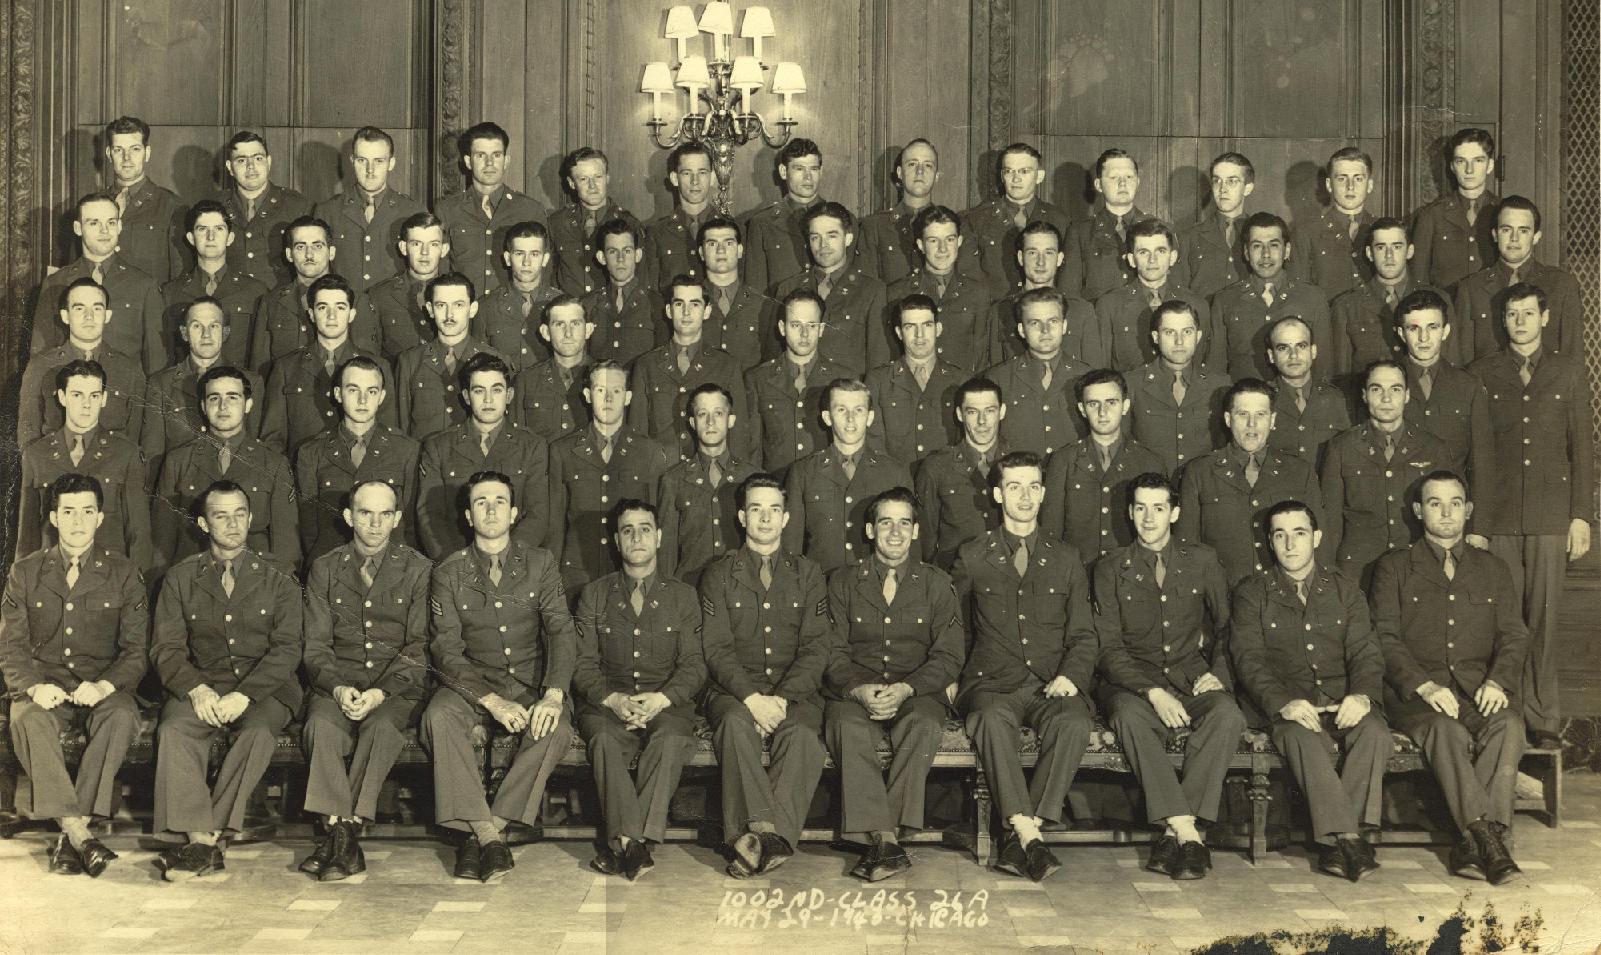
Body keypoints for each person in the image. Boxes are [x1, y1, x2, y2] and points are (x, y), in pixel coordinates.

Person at [1371, 471, 1528, 884]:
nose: (1446, 512)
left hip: (1478, 690)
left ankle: (1474, 844)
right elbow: (1383, 638)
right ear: (1419, 511)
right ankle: (1489, 837)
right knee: (1446, 730)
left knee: (1509, 724)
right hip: (1417, 697)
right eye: (1435, 503)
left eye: (1455, 503)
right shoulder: (1394, 567)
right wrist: (1423, 685)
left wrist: (1498, 682)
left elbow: (1514, 635)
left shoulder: (1493, 568)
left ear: (1468, 510)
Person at [421, 470, 574, 883]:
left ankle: (484, 836)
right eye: (481, 502)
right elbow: (446, 651)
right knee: (438, 717)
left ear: (514, 513)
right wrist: (490, 700)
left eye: (499, 502)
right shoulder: (448, 572)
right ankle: (492, 838)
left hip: (530, 683)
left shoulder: (540, 563)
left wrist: (554, 694)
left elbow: (561, 630)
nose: (491, 510)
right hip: (473, 684)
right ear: (468, 516)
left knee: (555, 730)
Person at [953, 452, 1098, 881]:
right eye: (1014, 487)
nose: (1024, 496)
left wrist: (1071, 676)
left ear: (1043, 493)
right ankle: (1030, 833)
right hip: (991, 682)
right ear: (997, 494)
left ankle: (1023, 832)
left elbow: (1084, 634)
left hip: (1049, 683)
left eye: (1033, 486)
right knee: (991, 720)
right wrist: (951, 678)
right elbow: (954, 628)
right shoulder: (973, 555)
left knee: (1074, 723)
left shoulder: (1067, 558)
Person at [1091, 472, 1242, 881]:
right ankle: (1190, 833)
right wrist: (1153, 692)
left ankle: (1174, 835)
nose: (1149, 517)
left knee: (1228, 715)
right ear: (1129, 513)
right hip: (1130, 683)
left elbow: (1230, 627)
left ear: (1174, 512)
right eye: (1140, 508)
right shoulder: (1110, 568)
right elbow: (1106, 647)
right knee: (1129, 717)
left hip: (1191, 676)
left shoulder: (1202, 560)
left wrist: (1220, 673)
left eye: (1158, 508)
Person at [150, 480, 303, 881]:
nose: (233, 524)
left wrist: (245, 695)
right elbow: (166, 649)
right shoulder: (180, 578)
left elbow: (288, 649)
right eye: (221, 515)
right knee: (174, 730)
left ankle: (202, 842)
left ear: (251, 518)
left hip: (265, 688)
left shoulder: (279, 576)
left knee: (257, 736)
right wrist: (196, 689)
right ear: (203, 523)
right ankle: (204, 840)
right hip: (203, 683)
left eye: (240, 514)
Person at [1229, 500, 1387, 881]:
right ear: (1269, 542)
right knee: (1301, 736)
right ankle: (1348, 838)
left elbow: (1366, 651)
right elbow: (1248, 659)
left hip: (1340, 701)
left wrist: (1361, 695)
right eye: (1279, 535)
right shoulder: (1253, 593)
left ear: (1316, 537)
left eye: (1299, 533)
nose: (1289, 544)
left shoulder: (1346, 590)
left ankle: (1336, 845)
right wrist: (1282, 703)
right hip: (1288, 708)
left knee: (1375, 733)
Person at [0, 474, 147, 878]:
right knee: (28, 719)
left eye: (87, 511)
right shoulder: (25, 572)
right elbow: (11, 646)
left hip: (103, 686)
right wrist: (32, 686)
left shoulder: (123, 572)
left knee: (119, 717)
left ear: (100, 518)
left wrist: (104, 685)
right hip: (44, 686)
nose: (78, 521)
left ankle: (69, 834)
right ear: (52, 518)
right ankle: (81, 834)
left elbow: (136, 652)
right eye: (68, 512)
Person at [1467, 283, 1594, 748]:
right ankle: (1507, 718)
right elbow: (1475, 453)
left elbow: (1582, 449)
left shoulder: (1568, 372)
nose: (1519, 321)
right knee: (1502, 622)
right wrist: (1476, 525)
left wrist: (1581, 516)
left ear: (1544, 318)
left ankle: (1542, 719)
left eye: (1528, 313)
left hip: (1548, 517)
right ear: (1503, 321)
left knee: (1542, 620)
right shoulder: (1482, 373)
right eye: (1511, 314)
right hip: (1498, 519)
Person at [824, 488, 964, 882]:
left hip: (916, 692)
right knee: (846, 726)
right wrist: (857, 689)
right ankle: (887, 839)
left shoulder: (937, 583)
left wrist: (906, 689)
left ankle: (875, 836)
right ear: (870, 530)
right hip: (855, 691)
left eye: (905, 522)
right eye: (886, 522)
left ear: (916, 531)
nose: (896, 531)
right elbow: (830, 650)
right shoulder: (843, 582)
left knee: (924, 726)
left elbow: (949, 655)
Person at [699, 474, 832, 876]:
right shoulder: (718, 573)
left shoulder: (808, 573)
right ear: (742, 517)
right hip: (733, 691)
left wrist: (783, 699)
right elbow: (716, 648)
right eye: (756, 509)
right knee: (736, 726)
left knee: (804, 736)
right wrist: (753, 700)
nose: (765, 518)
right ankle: (764, 832)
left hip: (794, 693)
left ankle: (754, 844)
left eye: (774, 509)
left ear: (786, 518)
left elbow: (816, 647)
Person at [297, 480, 431, 881]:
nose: (375, 524)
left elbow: (420, 645)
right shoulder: (325, 566)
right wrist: (337, 687)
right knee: (320, 726)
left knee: (382, 728)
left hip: (395, 686)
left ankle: (340, 834)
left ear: (397, 518)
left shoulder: (418, 568)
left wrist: (379, 692)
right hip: (336, 682)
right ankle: (346, 839)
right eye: (366, 513)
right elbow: (316, 645)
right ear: (349, 516)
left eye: (384, 514)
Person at [574, 500, 705, 880]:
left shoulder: (683, 596)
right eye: (628, 530)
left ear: (659, 537)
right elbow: (582, 664)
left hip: (667, 703)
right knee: (603, 741)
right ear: (616, 541)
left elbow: (694, 664)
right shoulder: (595, 595)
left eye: (645, 528)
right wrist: (612, 699)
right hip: (607, 704)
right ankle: (637, 846)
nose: (637, 537)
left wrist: (663, 698)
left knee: (669, 740)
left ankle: (627, 842)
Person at [545, 361, 676, 596]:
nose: (608, 399)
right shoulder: (562, 451)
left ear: (627, 397)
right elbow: (555, 526)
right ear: (587, 395)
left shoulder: (649, 452)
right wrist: (552, 585)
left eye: (616, 391)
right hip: (577, 576)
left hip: (632, 576)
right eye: (600, 391)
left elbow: (661, 522)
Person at [1176, 379, 1324, 587]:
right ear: (1228, 419)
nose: (1251, 424)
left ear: (1273, 420)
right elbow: (1187, 551)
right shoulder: (1199, 472)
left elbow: (1317, 549)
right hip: (1223, 599)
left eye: (1260, 415)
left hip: (1283, 601)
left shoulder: (1300, 472)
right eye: (1243, 414)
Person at [151, 366, 299, 567]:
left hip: (255, 581)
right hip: (194, 581)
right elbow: (162, 541)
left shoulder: (273, 464)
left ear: (248, 405)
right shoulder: (178, 461)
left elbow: (286, 547)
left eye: (232, 397)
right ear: (203, 406)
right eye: (214, 398)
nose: (222, 406)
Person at [1318, 360, 1450, 585]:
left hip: (1416, 567)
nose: (1386, 398)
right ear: (1364, 395)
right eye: (1376, 389)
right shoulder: (1341, 448)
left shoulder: (1432, 448)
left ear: (1407, 395)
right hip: (1357, 571)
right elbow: (1329, 520)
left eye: (1395, 389)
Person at [18, 360, 153, 572]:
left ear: (104, 399)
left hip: (109, 581)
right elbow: (27, 537)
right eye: (77, 395)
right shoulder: (36, 454)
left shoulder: (125, 454)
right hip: (50, 581)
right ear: (62, 397)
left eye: (94, 395)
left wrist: (136, 591)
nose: (87, 404)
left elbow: (139, 534)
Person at [416, 353, 550, 560]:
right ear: (467, 397)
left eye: (496, 390)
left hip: (514, 569)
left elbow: (537, 515)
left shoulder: (532, 447)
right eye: (479, 391)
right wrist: (456, 565)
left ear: (509, 395)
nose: (488, 400)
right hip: (455, 568)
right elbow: (430, 516)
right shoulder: (438, 447)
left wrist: (506, 562)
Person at [293, 356, 421, 564]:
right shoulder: (311, 452)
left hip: (391, 569)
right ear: (338, 394)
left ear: (381, 396)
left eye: (371, 391)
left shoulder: (406, 450)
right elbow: (308, 528)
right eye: (353, 390)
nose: (363, 400)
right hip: (330, 570)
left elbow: (410, 526)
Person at [782, 379, 913, 572]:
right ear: (827, 417)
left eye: (858, 410)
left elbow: (909, 547)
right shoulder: (803, 472)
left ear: (869, 417)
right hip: (820, 588)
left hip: (876, 589)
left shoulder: (894, 473)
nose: (851, 419)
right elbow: (790, 547)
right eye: (841, 410)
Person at [260, 272, 397, 454]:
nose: (331, 316)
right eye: (323, 307)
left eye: (340, 307)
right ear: (311, 314)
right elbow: (272, 440)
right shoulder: (286, 368)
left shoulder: (378, 367)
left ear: (351, 314)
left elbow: (387, 434)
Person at [1041, 368, 1166, 565]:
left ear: (1125, 406)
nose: (1102, 412)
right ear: (1082, 410)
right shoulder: (1063, 461)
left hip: (1132, 576)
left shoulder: (1149, 462)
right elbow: (1051, 532)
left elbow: (1159, 537)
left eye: (1111, 402)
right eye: (1093, 404)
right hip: (1077, 575)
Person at [31, 193, 167, 373]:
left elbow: (157, 366)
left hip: (125, 396)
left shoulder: (144, 285)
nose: (104, 230)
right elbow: (40, 358)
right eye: (94, 223)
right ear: (78, 228)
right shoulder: (56, 283)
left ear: (119, 226)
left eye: (111, 223)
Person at [627, 274, 750, 460]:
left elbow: (739, 439)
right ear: (668, 311)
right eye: (679, 304)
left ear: (707, 311)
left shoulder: (727, 366)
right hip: (661, 477)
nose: (686, 312)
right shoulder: (646, 366)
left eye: (694, 304)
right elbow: (637, 439)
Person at [1453, 195, 1584, 365]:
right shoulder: (1471, 289)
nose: (1514, 238)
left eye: (1523, 230)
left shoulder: (1561, 285)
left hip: (1545, 389)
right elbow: (1463, 362)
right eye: (1506, 230)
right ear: (1494, 234)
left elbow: (1574, 360)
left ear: (1536, 237)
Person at [141, 299, 266, 474]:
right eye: (197, 326)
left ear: (225, 332)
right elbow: (152, 454)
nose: (206, 334)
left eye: (214, 326)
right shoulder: (161, 384)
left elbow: (254, 449)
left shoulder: (251, 382)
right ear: (184, 333)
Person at [18, 278, 147, 446]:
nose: (89, 316)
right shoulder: (41, 366)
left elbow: (134, 436)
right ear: (65, 316)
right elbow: (28, 432)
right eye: (79, 308)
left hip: (111, 468)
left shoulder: (129, 369)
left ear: (107, 315)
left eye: (97, 308)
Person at [1329, 218, 1455, 385]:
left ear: (1409, 251)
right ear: (1369, 253)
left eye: (1397, 247)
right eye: (1381, 247)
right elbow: (1341, 377)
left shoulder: (1438, 299)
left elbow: (1453, 367)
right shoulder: (1346, 306)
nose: (1389, 255)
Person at [656, 383, 759, 586]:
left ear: (731, 420)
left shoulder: (753, 477)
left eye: (718, 413)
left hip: (740, 589)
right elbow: (665, 553)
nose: (711, 422)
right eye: (703, 414)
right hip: (688, 589)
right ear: (693, 423)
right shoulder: (673, 480)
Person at [248, 215, 379, 372]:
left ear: (331, 252)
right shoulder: (272, 303)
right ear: (289, 255)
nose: (309, 255)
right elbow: (259, 370)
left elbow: (368, 366)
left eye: (317, 246)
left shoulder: (357, 300)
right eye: (301, 247)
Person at [1211, 212, 1332, 381]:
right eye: (1257, 246)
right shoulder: (1225, 301)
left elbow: (1324, 368)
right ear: (1246, 253)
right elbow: (1215, 370)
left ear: (1287, 250)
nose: (1266, 254)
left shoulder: (1312, 297)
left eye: (1274, 245)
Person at [772, 202, 889, 375]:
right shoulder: (788, 288)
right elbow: (775, 357)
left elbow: (878, 364)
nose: (822, 244)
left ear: (848, 238)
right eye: (815, 237)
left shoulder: (871, 291)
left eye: (831, 236)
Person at [1394, 289, 1494, 491]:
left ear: (1446, 331)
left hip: (1449, 509)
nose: (1424, 338)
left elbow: (1482, 466)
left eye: (1432, 327)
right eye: (1414, 328)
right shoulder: (1385, 383)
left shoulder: (1468, 386)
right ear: (1401, 334)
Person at [743, 290, 851, 474]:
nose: (804, 334)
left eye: (811, 325)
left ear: (822, 329)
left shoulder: (841, 379)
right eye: (795, 325)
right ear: (782, 328)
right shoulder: (758, 379)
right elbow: (752, 449)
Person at [433, 121, 548, 295]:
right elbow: (441, 270)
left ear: (506, 161)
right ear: (468, 161)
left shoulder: (530, 210)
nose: (489, 163)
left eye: (496, 155)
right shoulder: (447, 210)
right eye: (480, 155)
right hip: (464, 315)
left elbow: (544, 273)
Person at [314, 125, 425, 292]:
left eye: (379, 161)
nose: (370, 170)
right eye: (362, 160)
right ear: (352, 161)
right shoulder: (328, 211)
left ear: (391, 163)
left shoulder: (412, 211)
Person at [161, 200, 270, 370]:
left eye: (219, 229)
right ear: (191, 238)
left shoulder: (254, 291)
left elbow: (259, 356)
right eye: (202, 229)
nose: (210, 237)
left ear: (230, 238)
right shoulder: (171, 292)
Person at [393, 272, 503, 440]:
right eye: (441, 305)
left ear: (472, 309)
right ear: (430, 309)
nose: (449, 315)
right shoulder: (410, 362)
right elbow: (402, 429)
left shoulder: (495, 359)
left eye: (458, 305)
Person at [984, 287, 1092, 457]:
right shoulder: (998, 379)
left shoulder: (1087, 377)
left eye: (1053, 321)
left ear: (1064, 326)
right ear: (1021, 330)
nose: (1045, 330)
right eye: (1035, 323)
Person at [883, 206, 993, 372]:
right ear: (920, 245)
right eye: (933, 241)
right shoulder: (898, 293)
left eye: (949, 239)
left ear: (960, 241)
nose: (943, 249)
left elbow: (980, 358)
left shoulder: (977, 293)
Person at [1126, 302, 1231, 474]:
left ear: (1198, 337)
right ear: (1155, 337)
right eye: (1169, 332)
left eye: (1187, 332)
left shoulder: (1220, 385)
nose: (1179, 341)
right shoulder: (1132, 384)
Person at [1098, 218, 1212, 373]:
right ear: (1132, 260)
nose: (1153, 260)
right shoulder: (1110, 305)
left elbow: (1200, 368)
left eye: (1161, 251)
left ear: (1172, 257)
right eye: (1144, 252)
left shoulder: (1196, 304)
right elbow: (1103, 368)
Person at [914, 376, 1007, 568]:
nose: (982, 421)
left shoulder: (1019, 464)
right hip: (954, 581)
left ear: (1002, 412)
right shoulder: (936, 467)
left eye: (990, 411)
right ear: (959, 414)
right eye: (972, 412)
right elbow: (926, 540)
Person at [961, 143, 1072, 299]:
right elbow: (969, 279)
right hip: (995, 313)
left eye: (1024, 171)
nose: (1016, 178)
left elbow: (1066, 278)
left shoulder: (1060, 220)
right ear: (1002, 176)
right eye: (1009, 171)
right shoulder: (975, 220)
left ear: (1039, 176)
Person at [865, 294, 964, 466]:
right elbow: (874, 444)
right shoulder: (878, 381)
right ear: (899, 333)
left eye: (927, 325)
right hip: (895, 485)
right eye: (910, 326)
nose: (919, 335)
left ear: (938, 329)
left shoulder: (960, 380)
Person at [988, 222, 1101, 367]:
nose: (1040, 262)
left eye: (1049, 253)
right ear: (1021, 258)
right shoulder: (1000, 311)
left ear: (1059, 259)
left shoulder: (1082, 311)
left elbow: (1095, 374)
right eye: (1033, 253)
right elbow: (993, 373)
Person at [215, 130, 315, 290]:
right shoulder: (216, 206)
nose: (251, 167)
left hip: (280, 305)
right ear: (230, 167)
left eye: (258, 158)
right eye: (241, 160)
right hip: (230, 305)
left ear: (268, 162)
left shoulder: (297, 206)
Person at [859, 139, 965, 285]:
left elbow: (967, 287)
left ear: (937, 176)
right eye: (912, 164)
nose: (919, 171)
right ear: (900, 173)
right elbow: (867, 288)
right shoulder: (874, 227)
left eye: (928, 165)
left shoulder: (955, 226)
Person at [551, 147, 650, 296]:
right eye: (583, 179)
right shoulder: (557, 223)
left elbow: (641, 280)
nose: (592, 186)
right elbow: (549, 277)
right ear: (572, 183)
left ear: (607, 178)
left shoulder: (629, 224)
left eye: (598, 177)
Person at [1410, 127, 1498, 291]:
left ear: (1490, 165)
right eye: (1461, 161)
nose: (1469, 170)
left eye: (1478, 161)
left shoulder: (1503, 212)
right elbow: (1418, 279)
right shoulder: (1432, 215)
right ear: (1452, 167)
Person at [102, 115, 186, 282]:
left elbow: (180, 275)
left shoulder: (171, 205)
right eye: (118, 150)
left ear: (147, 153)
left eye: (135, 149)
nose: (127, 158)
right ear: (109, 154)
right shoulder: (93, 205)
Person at [473, 221, 560, 373]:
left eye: (534, 254)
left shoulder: (563, 305)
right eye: (519, 253)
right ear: (507, 258)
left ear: (545, 259)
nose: (526, 262)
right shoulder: (486, 307)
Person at [1264, 317, 1350, 470]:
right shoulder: (1260, 400)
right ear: (1271, 356)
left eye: (1301, 346)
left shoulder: (1338, 398)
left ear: (1313, 351)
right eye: (1283, 348)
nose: (1293, 355)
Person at [742, 138, 827, 293]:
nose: (808, 177)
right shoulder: (762, 223)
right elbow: (755, 291)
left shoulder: (842, 220)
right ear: (783, 172)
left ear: (821, 172)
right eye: (799, 169)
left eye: (813, 169)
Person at [1294, 147, 1377, 302]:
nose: (1350, 186)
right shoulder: (1307, 232)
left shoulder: (1383, 229)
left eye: (1358, 178)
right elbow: (1299, 294)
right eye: (1341, 178)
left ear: (1370, 185)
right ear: (1329, 185)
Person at [1063, 148, 1146, 301]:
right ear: (1098, 184)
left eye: (1129, 176)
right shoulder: (1081, 232)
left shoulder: (1156, 228)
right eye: (1114, 177)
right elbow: (1070, 295)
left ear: (1138, 182)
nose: (1123, 183)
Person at [367, 212, 453, 360]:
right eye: (416, 244)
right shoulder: (379, 296)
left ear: (444, 249)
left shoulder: (458, 293)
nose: (424, 252)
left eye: (433, 244)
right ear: (403, 248)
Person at [582, 218, 667, 367]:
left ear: (638, 255)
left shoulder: (657, 304)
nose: (620, 259)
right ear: (602, 258)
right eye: (613, 251)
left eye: (627, 251)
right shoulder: (588, 305)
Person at [514, 295, 594, 441]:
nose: (568, 333)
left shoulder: (607, 377)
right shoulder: (526, 381)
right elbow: (517, 444)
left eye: (575, 323)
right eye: (559, 324)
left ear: (588, 330)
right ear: (546, 332)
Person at [1177, 152, 1253, 300]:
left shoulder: (1262, 235)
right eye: (1217, 181)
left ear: (1248, 188)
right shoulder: (1188, 237)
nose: (1223, 188)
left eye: (1232, 181)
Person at [697, 216, 770, 371]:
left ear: (740, 250)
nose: (720, 250)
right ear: (701, 253)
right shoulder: (690, 302)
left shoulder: (761, 304)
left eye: (728, 243)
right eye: (712, 243)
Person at [644, 142, 717, 286]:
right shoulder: (657, 232)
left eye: (702, 172)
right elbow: (651, 292)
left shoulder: (732, 228)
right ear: (675, 178)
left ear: (712, 178)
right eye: (687, 173)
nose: (695, 181)